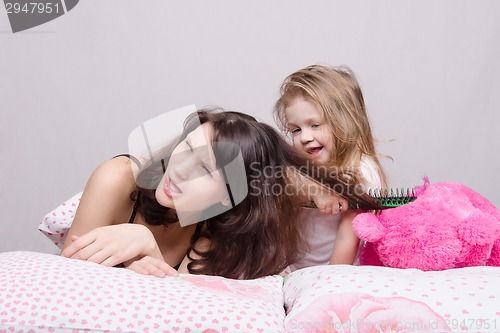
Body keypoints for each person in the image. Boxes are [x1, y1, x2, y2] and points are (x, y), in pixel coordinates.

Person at [61, 108, 372, 280]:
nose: (179, 169)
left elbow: (178, 311)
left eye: (204, 169)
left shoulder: (211, 233)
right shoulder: (117, 178)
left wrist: (147, 253)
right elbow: (65, 276)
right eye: (186, 148)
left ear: (228, 197)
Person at [274, 64, 388, 269]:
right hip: (295, 273)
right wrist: (313, 189)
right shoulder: (301, 165)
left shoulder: (361, 170)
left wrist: (325, 283)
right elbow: (277, 188)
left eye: (315, 125)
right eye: (296, 130)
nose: (305, 138)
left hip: (335, 274)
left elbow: (348, 237)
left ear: (345, 121)